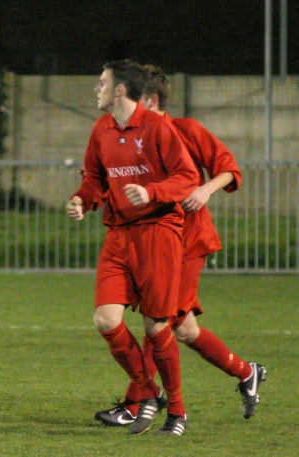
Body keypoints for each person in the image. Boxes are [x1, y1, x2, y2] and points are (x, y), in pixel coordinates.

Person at [94, 64, 266, 427]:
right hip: (149, 237)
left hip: (187, 240)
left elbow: (229, 169)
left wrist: (203, 190)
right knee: (183, 328)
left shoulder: (183, 130)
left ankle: (136, 403)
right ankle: (245, 371)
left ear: (150, 100)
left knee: (160, 323)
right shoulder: (122, 133)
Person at [66, 59, 199, 436]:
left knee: (157, 327)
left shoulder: (158, 127)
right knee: (106, 320)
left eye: (102, 82)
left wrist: (152, 192)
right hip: (119, 235)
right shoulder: (101, 129)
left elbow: (188, 177)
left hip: (158, 232)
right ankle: (148, 393)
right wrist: (81, 200)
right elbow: (94, 178)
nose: (97, 88)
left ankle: (177, 411)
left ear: (120, 90)